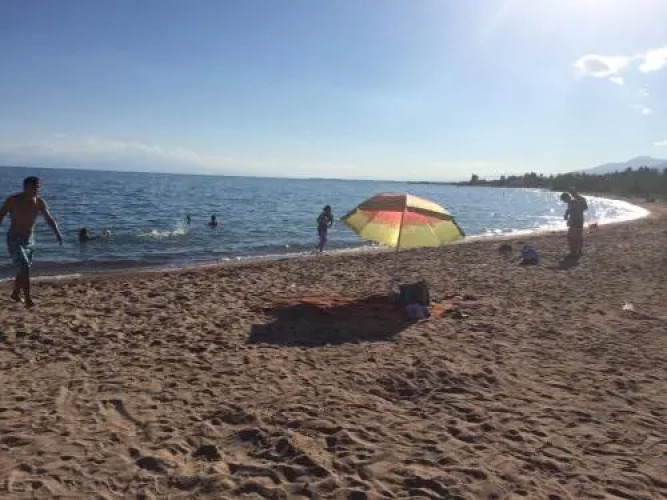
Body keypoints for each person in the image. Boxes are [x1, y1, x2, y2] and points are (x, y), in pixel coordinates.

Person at [0, 176, 63, 308]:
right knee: (24, 266)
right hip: (14, 238)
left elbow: (49, 218)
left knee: (24, 267)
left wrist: (57, 233)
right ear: (25, 187)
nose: (37, 189)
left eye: (38, 186)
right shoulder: (13, 200)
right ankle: (28, 299)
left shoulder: (39, 202)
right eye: (34, 186)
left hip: (30, 239)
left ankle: (15, 293)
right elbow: (1, 216)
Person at [561, 190, 588, 257]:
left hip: (575, 221)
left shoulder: (572, 202)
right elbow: (584, 208)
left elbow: (572, 211)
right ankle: (579, 250)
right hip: (580, 220)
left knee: (571, 237)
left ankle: (573, 251)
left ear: (567, 197)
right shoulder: (578, 200)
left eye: (564, 200)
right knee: (579, 236)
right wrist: (567, 214)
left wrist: (568, 219)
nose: (564, 202)